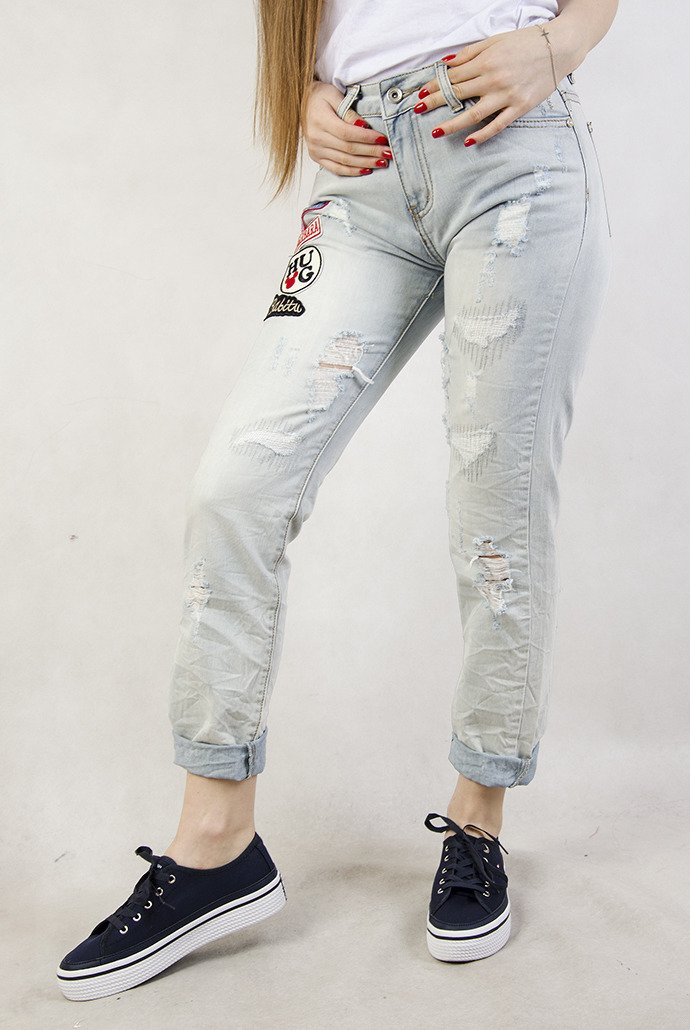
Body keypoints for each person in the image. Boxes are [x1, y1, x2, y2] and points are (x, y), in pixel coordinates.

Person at [56, 0, 618, 1000]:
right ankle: (217, 842)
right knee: (236, 488)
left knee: (496, 511)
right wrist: (310, 88)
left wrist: (559, 44)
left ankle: (479, 817)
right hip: (364, 178)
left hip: (515, 151)